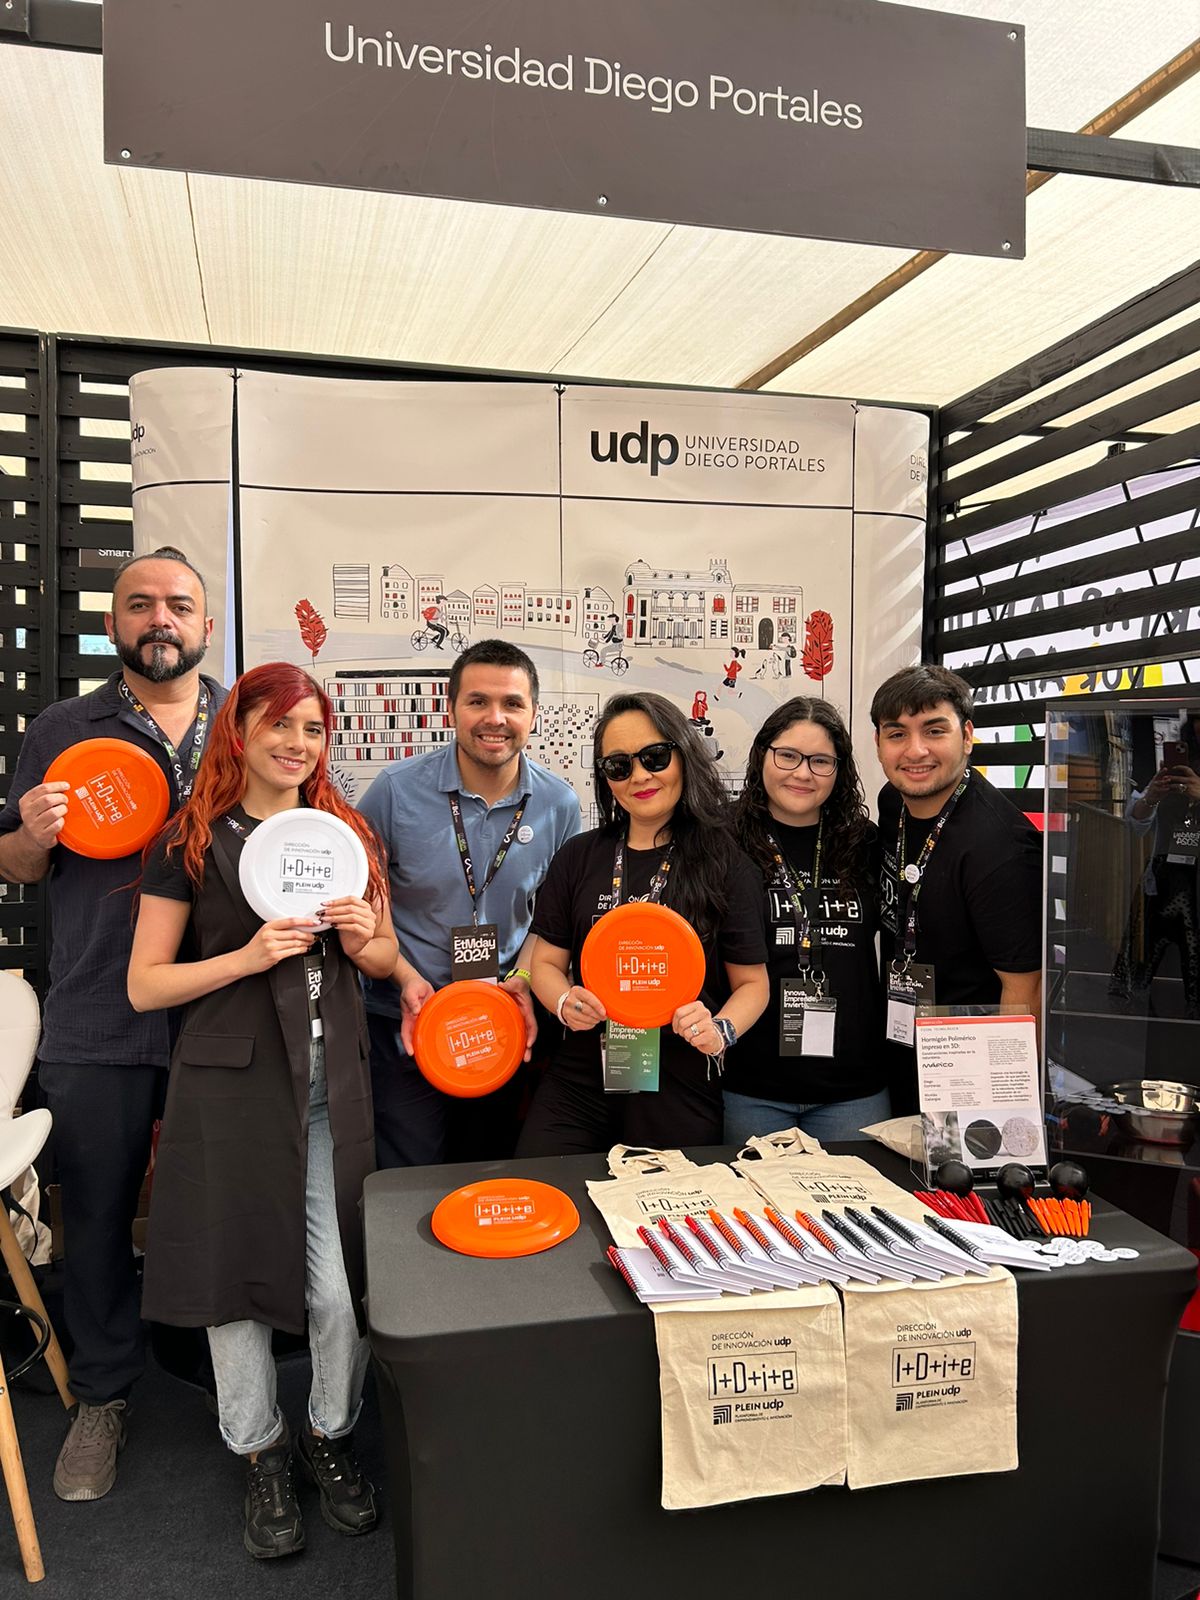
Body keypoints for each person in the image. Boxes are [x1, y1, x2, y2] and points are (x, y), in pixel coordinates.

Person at [127, 661, 397, 1560]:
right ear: (237, 730)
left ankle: (329, 1431)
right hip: (229, 1090)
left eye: (314, 728)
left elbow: (384, 954)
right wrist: (245, 958)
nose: (297, 743)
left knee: (338, 1290)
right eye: (279, 723)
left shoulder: (343, 834)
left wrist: (367, 937)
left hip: (329, 1092)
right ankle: (260, 1450)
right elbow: (145, 985)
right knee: (233, 1283)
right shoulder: (189, 841)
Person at [0, 545, 223, 1503]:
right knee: (93, 1212)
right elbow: (17, 865)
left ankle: (233, 1382)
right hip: (97, 1012)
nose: (159, 619)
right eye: (139, 605)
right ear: (112, 625)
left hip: (220, 1005)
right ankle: (101, 1393)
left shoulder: (246, 724)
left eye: (178, 604)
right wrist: (32, 834)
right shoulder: (63, 728)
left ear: (207, 625)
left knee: (221, 1204)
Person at [358, 639, 581, 1166]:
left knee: (487, 1168)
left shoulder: (559, 804)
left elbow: (552, 922)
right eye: (478, 701)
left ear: (533, 714)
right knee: (409, 1174)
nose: (495, 718)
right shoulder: (394, 791)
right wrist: (405, 979)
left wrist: (523, 979)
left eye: (512, 703)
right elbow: (365, 904)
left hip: (502, 1023)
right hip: (406, 1019)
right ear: (452, 707)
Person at [517, 691, 769, 1155]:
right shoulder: (578, 856)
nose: (639, 776)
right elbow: (546, 964)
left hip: (679, 1079)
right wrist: (565, 1001)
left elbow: (753, 984)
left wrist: (721, 1030)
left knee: (664, 1203)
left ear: (683, 755)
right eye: (619, 765)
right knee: (542, 1185)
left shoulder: (726, 864)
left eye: (655, 757)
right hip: (581, 1077)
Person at [872, 664, 1043, 1113]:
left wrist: (1005, 1109)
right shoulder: (894, 803)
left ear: (967, 736)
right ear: (878, 743)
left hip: (968, 1074)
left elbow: (1024, 991)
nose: (916, 750)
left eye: (934, 730)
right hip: (900, 1045)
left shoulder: (1001, 847)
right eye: (897, 734)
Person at [723, 697, 888, 1146]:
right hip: (750, 1087)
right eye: (788, 756)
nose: (802, 773)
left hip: (853, 1089)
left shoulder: (865, 843)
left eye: (820, 761)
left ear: (839, 770)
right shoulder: (723, 840)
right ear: (762, 755)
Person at [1111, 711, 1200, 1017]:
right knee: (1140, 972)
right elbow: (1135, 825)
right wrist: (1152, 796)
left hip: (1194, 883)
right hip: (1164, 878)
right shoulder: (1175, 771)